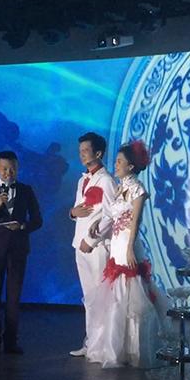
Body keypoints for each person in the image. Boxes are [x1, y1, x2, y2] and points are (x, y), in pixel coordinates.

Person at [86, 140, 166, 368]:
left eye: (120, 161)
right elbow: (113, 214)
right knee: (117, 295)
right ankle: (118, 348)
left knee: (132, 294)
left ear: (131, 166)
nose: (116, 164)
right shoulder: (120, 188)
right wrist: (98, 223)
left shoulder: (138, 189)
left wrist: (130, 247)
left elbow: (135, 221)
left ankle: (136, 350)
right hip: (116, 244)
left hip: (128, 243)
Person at [0, 150, 42, 355]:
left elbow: (37, 220)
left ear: (17, 168)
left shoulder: (26, 190)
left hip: (18, 249)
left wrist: (22, 226)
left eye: (12, 169)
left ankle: (11, 341)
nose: (8, 173)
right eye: (4, 169)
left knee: (13, 297)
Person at [68, 132, 116, 357]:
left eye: (86, 150)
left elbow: (110, 215)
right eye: (80, 151)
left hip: (96, 247)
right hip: (80, 245)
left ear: (98, 153)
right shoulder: (82, 179)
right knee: (89, 297)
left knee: (100, 298)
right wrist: (72, 213)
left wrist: (91, 241)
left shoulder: (106, 180)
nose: (82, 155)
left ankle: (103, 346)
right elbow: (79, 209)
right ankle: (91, 343)